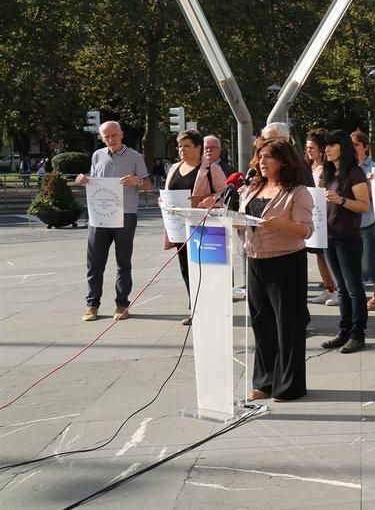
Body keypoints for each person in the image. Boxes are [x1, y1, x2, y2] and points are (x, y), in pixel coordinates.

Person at [241, 138, 314, 402]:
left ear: (283, 161)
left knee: (288, 325)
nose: (262, 162)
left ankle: (290, 386)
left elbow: (306, 229)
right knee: (262, 324)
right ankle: (265, 382)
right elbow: (242, 218)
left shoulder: (298, 192)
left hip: (286, 262)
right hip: (255, 260)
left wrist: (282, 224)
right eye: (260, 157)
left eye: (268, 157)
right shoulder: (253, 187)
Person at [77, 121, 151, 322]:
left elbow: (148, 186)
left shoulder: (135, 157)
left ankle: (121, 304)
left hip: (125, 215)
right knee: (94, 263)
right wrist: (83, 179)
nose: (110, 139)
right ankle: (92, 305)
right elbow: (95, 181)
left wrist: (137, 181)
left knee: (123, 262)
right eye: (106, 136)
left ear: (122, 135)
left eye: (113, 135)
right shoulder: (97, 155)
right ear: (101, 138)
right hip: (99, 216)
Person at [163, 129, 228, 325]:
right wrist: (163, 200)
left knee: (207, 269)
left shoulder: (211, 169)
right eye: (180, 146)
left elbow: (225, 194)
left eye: (186, 146)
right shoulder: (175, 168)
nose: (181, 150)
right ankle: (195, 308)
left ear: (198, 148)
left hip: (205, 227)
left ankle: (213, 308)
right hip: (179, 227)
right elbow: (168, 192)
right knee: (186, 268)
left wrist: (207, 199)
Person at [319, 130, 371, 354]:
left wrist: (340, 200)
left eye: (332, 145)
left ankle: (357, 334)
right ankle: (344, 331)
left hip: (348, 237)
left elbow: (364, 205)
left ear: (342, 147)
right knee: (341, 288)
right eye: (326, 146)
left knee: (353, 288)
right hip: (329, 236)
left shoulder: (354, 173)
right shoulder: (328, 174)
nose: (327, 149)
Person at [351, 130, 375, 312]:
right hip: (351, 220)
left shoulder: (374, 168)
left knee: (372, 257)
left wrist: (366, 186)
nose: (354, 148)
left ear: (365, 147)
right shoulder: (347, 167)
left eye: (357, 144)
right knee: (354, 260)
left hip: (369, 218)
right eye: (352, 145)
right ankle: (358, 296)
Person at [304, 131, 338, 306]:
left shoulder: (327, 168)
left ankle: (339, 289)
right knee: (318, 254)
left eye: (312, 147)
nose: (309, 150)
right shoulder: (306, 168)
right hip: (313, 215)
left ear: (321, 149)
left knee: (328, 253)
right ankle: (329, 288)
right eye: (307, 147)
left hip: (327, 215)